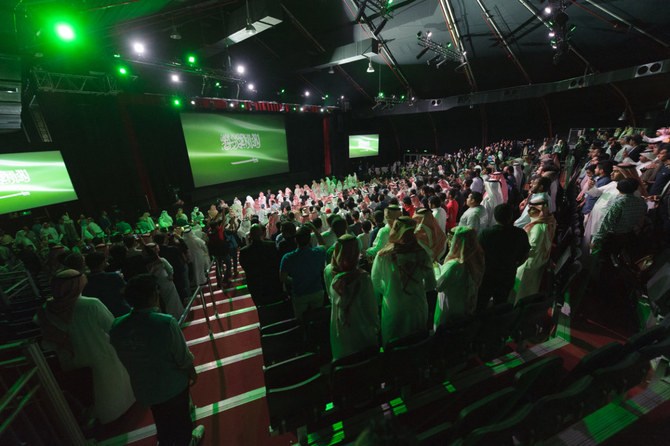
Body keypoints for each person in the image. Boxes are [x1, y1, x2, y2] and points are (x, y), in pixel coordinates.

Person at [110, 274, 204, 446]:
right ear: (153, 296)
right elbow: (182, 357)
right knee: (180, 420)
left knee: (160, 416)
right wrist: (192, 373)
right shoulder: (165, 323)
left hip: (143, 386)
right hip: (172, 385)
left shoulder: (117, 326)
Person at [34, 269, 135, 424]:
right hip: (100, 355)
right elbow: (111, 327)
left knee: (86, 391)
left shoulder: (46, 310)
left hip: (71, 360)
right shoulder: (90, 304)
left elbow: (48, 342)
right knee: (110, 389)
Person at [371, 217, 436, 344]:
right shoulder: (422, 253)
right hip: (417, 306)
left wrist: (390, 291)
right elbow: (431, 284)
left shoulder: (384, 255)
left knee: (394, 347)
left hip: (393, 307)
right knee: (417, 345)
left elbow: (375, 280)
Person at [324, 235, 380, 360]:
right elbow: (371, 308)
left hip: (340, 327)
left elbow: (331, 297)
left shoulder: (329, 271)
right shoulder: (363, 277)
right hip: (362, 328)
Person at [477, 204, 530, 310]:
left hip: (487, 275)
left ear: (495, 216)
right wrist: (514, 265)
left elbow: (478, 254)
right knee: (501, 303)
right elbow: (525, 255)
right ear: (511, 217)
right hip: (508, 274)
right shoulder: (520, 233)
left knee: (481, 303)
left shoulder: (486, 233)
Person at [433, 226, 485, 329]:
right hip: (465, 306)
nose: (449, 242)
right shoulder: (476, 258)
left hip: (449, 308)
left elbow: (438, 286)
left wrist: (436, 269)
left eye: (451, 239)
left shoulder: (455, 264)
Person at [513, 196, 556, 302]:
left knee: (520, 285)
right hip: (539, 259)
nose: (528, 212)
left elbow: (532, 248)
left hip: (530, 262)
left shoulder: (538, 227)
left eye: (531, 210)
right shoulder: (548, 220)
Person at [280, 223, 326, 319]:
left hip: (299, 293)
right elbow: (322, 244)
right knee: (318, 318)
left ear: (295, 240)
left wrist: (295, 281)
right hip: (317, 291)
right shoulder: (318, 252)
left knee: (301, 321)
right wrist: (314, 229)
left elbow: (282, 277)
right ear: (309, 239)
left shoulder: (288, 257)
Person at [239, 224, 283, 307]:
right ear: (262, 233)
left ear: (250, 235)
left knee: (261, 307)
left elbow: (245, 267)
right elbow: (276, 262)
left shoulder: (244, 251)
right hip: (271, 281)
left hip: (255, 284)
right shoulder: (271, 245)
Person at [82, 251, 131, 317]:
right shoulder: (113, 276)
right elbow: (126, 291)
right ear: (102, 263)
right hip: (120, 311)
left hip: (98, 314)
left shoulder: (84, 280)